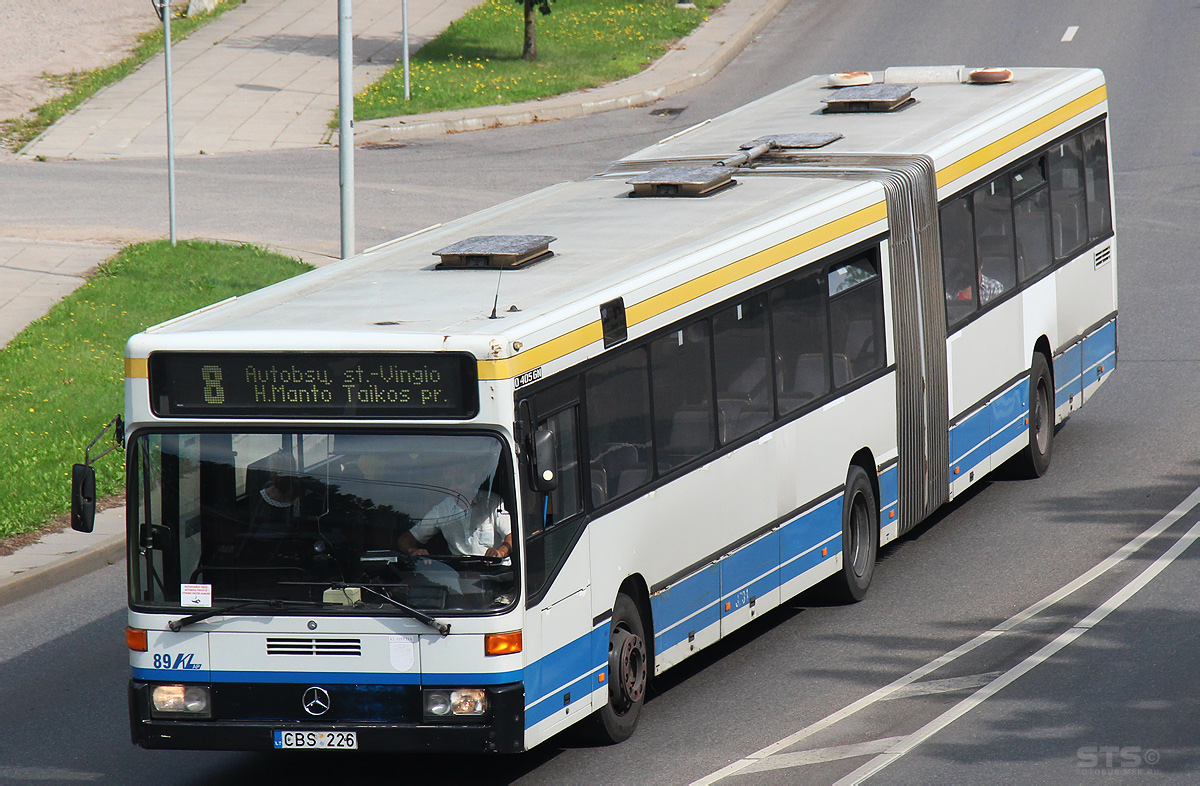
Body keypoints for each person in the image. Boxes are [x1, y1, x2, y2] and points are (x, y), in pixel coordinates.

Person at [398, 463, 512, 560]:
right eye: (448, 484)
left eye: (458, 481)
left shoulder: (492, 503)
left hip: (497, 572)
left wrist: (499, 552)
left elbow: (512, 536)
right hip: (461, 575)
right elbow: (406, 538)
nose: (453, 487)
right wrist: (413, 550)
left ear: (471, 479)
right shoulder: (442, 510)